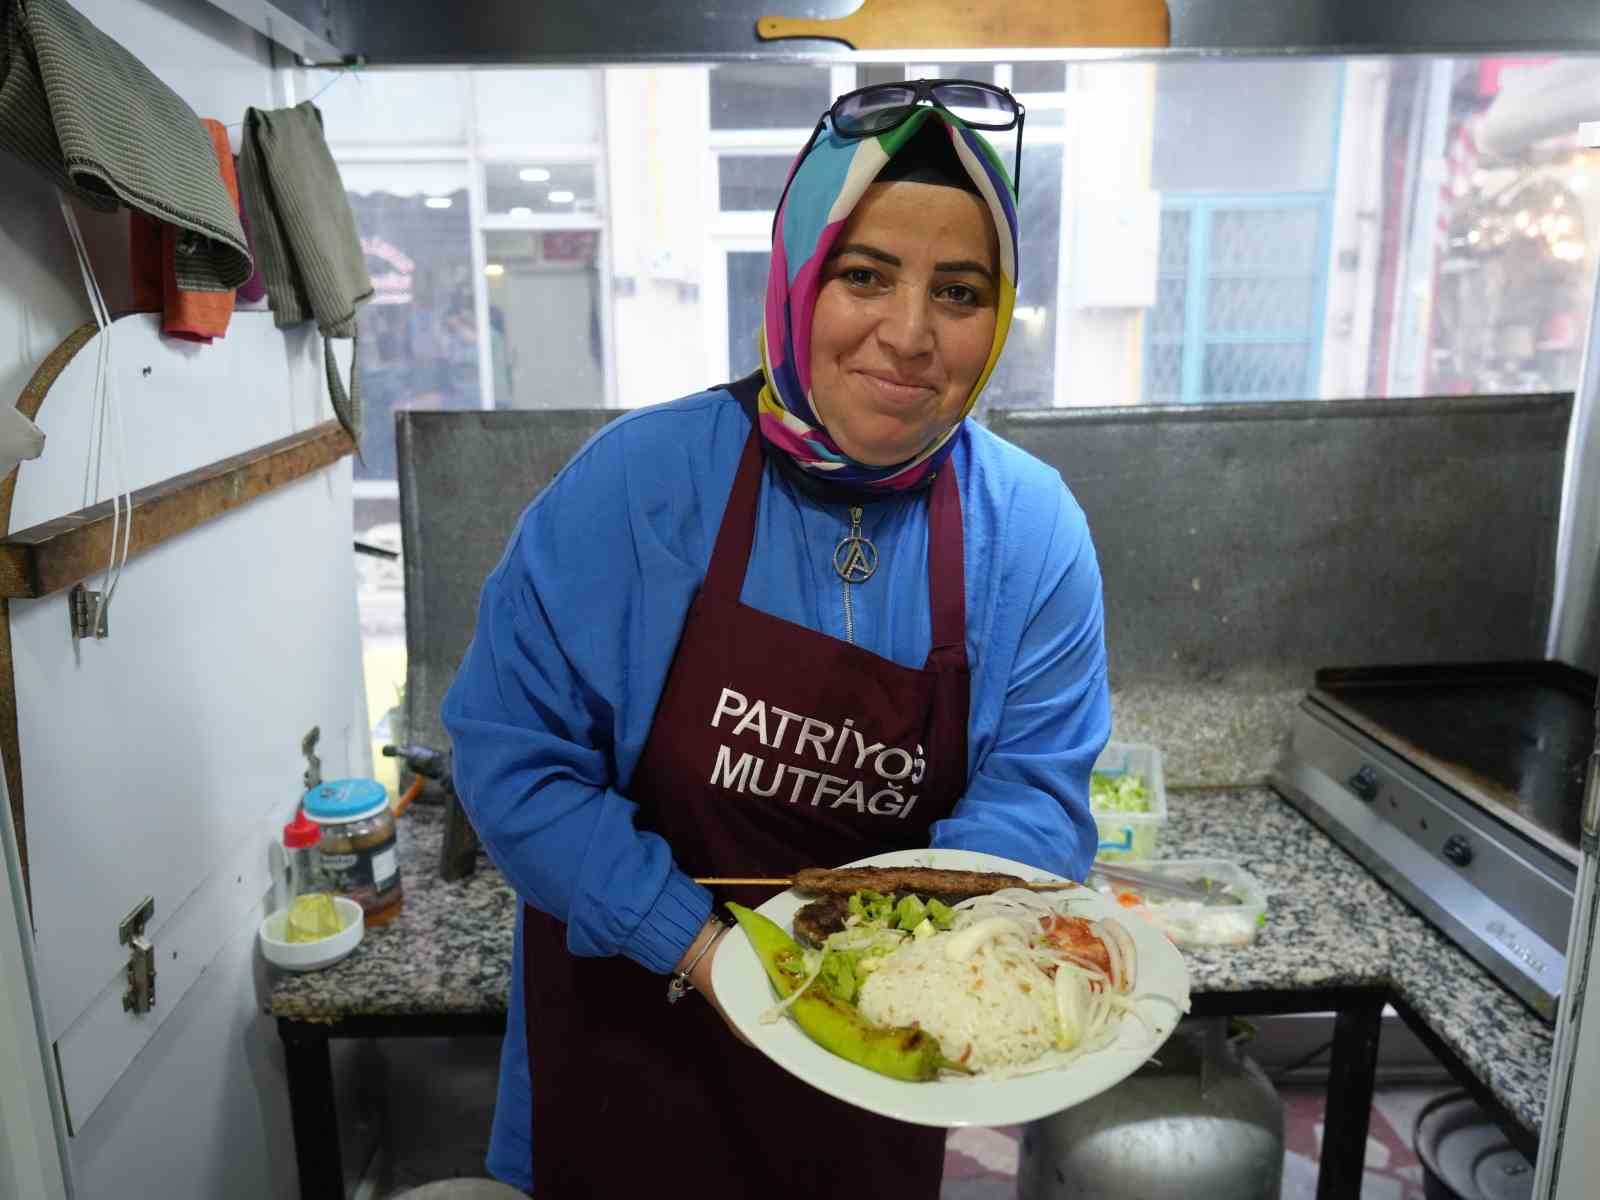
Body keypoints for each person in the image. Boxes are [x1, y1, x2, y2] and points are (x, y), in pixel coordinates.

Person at [442, 79, 1110, 1198]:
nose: (907, 334)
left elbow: (1038, 799)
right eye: (864, 275)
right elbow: (515, 765)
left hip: (879, 1064)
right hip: (631, 1052)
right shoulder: (638, 487)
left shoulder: (1030, 532)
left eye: (958, 290)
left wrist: (903, 974)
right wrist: (706, 952)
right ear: (796, 279)